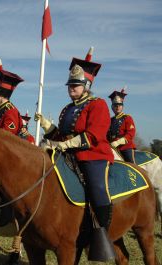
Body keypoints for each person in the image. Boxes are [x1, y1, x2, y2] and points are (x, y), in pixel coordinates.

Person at [35, 48, 114, 245]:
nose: (71, 88)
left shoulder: (98, 105)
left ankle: (102, 232)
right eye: (70, 84)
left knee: (96, 187)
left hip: (92, 155)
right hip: (68, 154)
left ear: (86, 85)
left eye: (76, 84)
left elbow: (93, 136)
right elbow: (60, 135)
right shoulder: (68, 109)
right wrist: (47, 125)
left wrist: (64, 144)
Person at [107, 89, 136, 163]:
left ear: (122, 106)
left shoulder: (127, 118)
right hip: (112, 146)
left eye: (120, 105)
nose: (117, 107)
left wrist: (118, 142)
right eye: (115, 105)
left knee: (131, 165)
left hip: (125, 147)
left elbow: (130, 134)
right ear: (112, 107)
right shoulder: (110, 120)